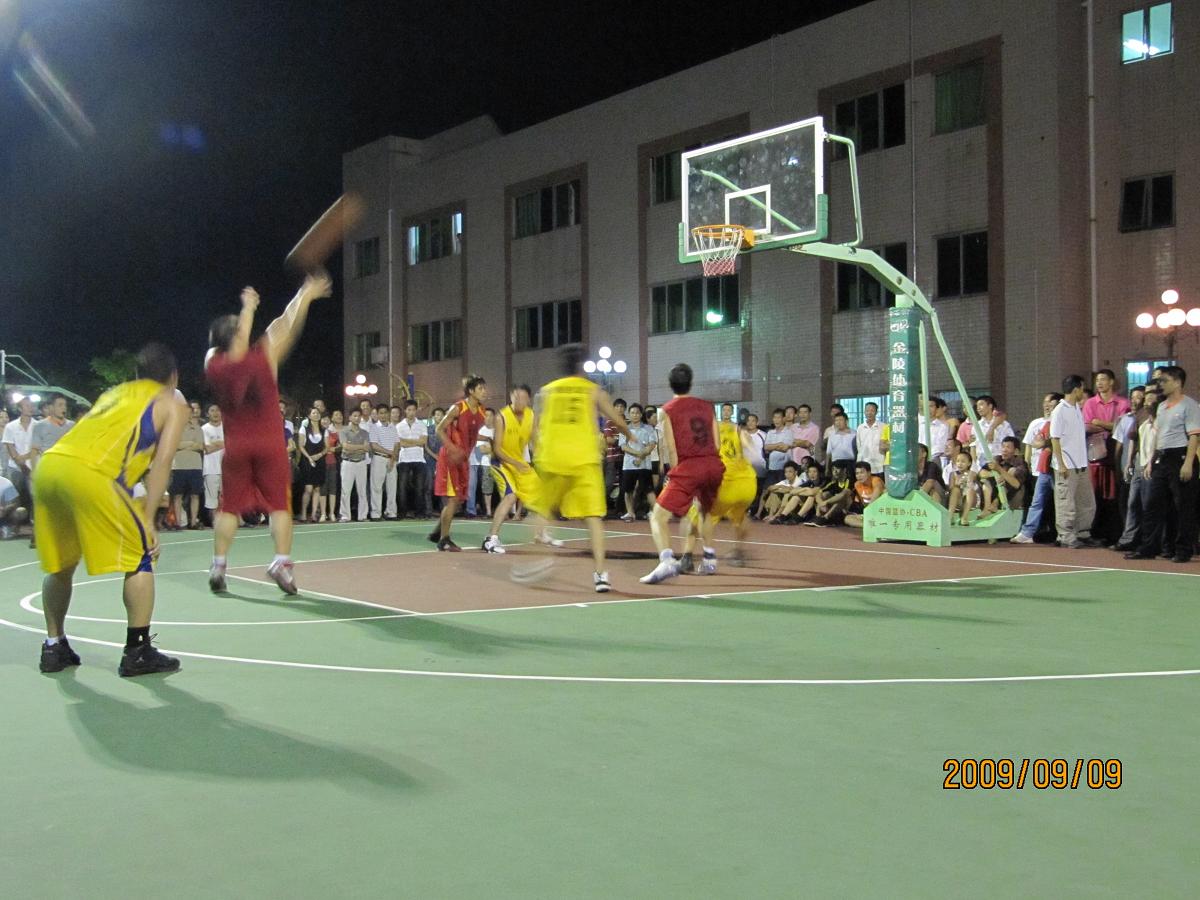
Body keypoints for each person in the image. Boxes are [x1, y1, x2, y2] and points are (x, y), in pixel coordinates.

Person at [33, 343, 187, 676]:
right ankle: (138, 652)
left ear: (136, 374)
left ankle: (54, 646)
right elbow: (161, 464)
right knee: (142, 554)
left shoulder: (114, 395)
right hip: (94, 473)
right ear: (174, 377)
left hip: (51, 468)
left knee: (60, 564)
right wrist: (148, 520)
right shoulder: (171, 403)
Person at [204, 273, 333, 594]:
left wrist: (245, 314)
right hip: (270, 445)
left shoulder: (213, 364)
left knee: (229, 508)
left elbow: (232, 346)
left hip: (237, 447)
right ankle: (281, 563)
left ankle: (219, 564)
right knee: (279, 507)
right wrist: (304, 295)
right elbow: (285, 324)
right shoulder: (263, 357)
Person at [513, 346, 630, 591]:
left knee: (541, 511)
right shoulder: (592, 390)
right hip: (584, 460)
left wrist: (538, 449)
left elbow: (536, 427)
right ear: (581, 366)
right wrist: (629, 433)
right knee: (593, 518)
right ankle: (600, 575)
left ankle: (538, 560)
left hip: (553, 459)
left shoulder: (546, 391)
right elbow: (615, 419)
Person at [641, 363, 726, 584]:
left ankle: (667, 561)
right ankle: (709, 558)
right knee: (705, 510)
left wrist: (673, 473)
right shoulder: (708, 406)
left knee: (658, 516)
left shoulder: (667, 410)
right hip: (713, 465)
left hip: (689, 467)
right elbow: (717, 444)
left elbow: (671, 447)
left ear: (670, 384)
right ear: (691, 382)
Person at [1126, 366, 1199, 563]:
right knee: (1152, 504)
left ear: (1177, 382)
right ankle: (1149, 547)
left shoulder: (1189, 405)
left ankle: (1182, 549)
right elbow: (1159, 437)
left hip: (1180, 456)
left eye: (1164, 381)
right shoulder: (1162, 407)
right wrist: (1151, 462)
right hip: (1162, 459)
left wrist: (1188, 463)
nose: (1161, 385)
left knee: (1182, 506)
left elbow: (1194, 436)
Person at [482, 384, 562, 554]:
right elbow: (497, 449)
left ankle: (540, 534)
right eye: (516, 397)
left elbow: (535, 441)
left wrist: (546, 459)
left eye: (523, 397)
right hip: (501, 463)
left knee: (543, 495)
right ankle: (490, 539)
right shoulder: (501, 417)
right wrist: (515, 463)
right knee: (510, 496)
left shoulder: (531, 416)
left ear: (528, 400)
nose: (519, 400)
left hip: (519, 463)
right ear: (511, 397)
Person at [682, 415, 758, 567]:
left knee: (699, 515)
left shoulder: (702, 436)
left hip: (725, 484)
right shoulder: (735, 429)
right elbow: (753, 452)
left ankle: (689, 557)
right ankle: (738, 552)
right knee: (740, 516)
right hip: (747, 483)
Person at [428, 376, 488, 551]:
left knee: (459, 499)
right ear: (471, 391)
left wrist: (488, 439)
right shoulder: (458, 408)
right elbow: (439, 429)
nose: (484, 391)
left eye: (484, 388)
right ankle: (444, 540)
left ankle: (437, 532)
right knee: (453, 499)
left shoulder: (482, 411)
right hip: (450, 458)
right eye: (480, 388)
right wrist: (453, 448)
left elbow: (470, 433)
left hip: (463, 458)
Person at [1082, 369, 1130, 545]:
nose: (1099, 383)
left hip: (1115, 454)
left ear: (1111, 382)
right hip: (1095, 456)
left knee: (1114, 497)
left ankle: (1114, 534)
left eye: (1103, 380)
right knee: (1095, 496)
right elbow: (1087, 426)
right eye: (1097, 380)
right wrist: (1110, 426)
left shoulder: (1123, 403)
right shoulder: (1090, 403)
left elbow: (1122, 427)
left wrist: (1100, 423)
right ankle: (1096, 533)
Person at [1050, 374, 1098, 549]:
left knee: (1086, 502)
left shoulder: (1076, 408)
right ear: (1076, 389)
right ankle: (1066, 535)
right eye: (1082, 388)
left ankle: (1083, 533)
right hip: (1067, 465)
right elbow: (1055, 438)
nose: (1083, 392)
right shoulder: (1059, 410)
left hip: (1081, 464)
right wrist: (1061, 464)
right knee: (1066, 503)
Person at [169, 400, 205, 530]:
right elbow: (174, 445)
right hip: (179, 465)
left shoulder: (198, 428)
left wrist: (184, 444)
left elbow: (200, 446)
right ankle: (178, 523)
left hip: (195, 466)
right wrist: (190, 443)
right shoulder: (175, 427)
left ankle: (193, 522)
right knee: (177, 495)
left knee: (195, 494)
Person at [618, 402, 657, 522]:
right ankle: (630, 513)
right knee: (627, 490)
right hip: (628, 465)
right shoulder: (624, 429)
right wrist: (637, 454)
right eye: (632, 413)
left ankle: (656, 513)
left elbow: (652, 444)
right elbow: (623, 446)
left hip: (645, 465)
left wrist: (642, 456)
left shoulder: (649, 428)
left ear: (641, 415)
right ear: (629, 414)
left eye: (637, 413)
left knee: (649, 490)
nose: (635, 415)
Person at [395, 401, 428, 518]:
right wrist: (415, 441)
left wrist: (407, 441)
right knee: (402, 488)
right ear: (405, 411)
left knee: (420, 488)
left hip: (419, 459)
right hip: (404, 459)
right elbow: (400, 443)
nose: (411, 412)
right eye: (409, 410)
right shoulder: (399, 426)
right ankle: (402, 512)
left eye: (413, 410)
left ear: (416, 410)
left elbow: (423, 442)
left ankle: (419, 513)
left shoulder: (422, 425)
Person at [297, 407, 327, 523]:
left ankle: (314, 514)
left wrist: (319, 455)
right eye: (314, 413)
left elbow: (327, 447)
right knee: (308, 488)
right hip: (307, 461)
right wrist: (309, 457)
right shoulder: (304, 429)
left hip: (319, 461)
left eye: (318, 413)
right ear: (309, 416)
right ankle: (304, 513)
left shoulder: (324, 430)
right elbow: (300, 445)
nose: (316, 415)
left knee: (317, 488)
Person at [339, 410, 370, 521]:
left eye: (359, 416)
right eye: (355, 416)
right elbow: (345, 447)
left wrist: (353, 447)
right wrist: (360, 447)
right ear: (350, 417)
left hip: (361, 463)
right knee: (345, 491)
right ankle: (345, 515)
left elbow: (366, 448)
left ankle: (363, 516)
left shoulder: (365, 432)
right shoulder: (344, 431)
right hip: (348, 462)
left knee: (362, 491)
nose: (357, 418)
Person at [320, 411, 341, 522]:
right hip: (321, 463)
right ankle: (323, 513)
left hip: (332, 462)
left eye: (327, 419)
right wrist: (327, 449)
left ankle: (332, 513)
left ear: (330, 421)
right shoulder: (318, 433)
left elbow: (340, 447)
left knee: (333, 488)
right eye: (323, 419)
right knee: (323, 489)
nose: (325, 421)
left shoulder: (334, 434)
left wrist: (333, 449)